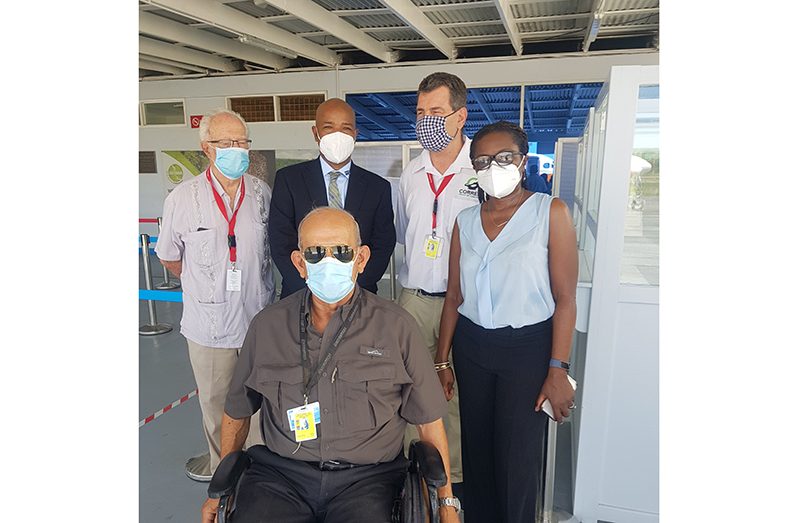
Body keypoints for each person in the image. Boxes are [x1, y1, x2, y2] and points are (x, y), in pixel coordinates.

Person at [201, 208, 459, 523]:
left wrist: (446, 503)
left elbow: (429, 423)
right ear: (299, 264)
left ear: (361, 259)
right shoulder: (266, 326)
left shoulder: (397, 327)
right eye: (314, 253)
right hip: (282, 478)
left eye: (341, 251)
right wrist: (219, 490)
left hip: (370, 481)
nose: (328, 262)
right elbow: (237, 412)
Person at [435, 121, 578, 522]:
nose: (493, 167)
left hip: (528, 350)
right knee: (478, 452)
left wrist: (558, 369)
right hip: (472, 347)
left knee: (517, 459)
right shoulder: (465, 220)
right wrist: (442, 361)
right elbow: (453, 297)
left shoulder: (550, 211)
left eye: (504, 158)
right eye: (483, 160)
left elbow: (566, 299)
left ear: (523, 160)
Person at [156, 108, 274, 481]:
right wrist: (206, 285)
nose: (237, 149)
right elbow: (170, 256)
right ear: (207, 148)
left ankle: (257, 469)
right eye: (227, 143)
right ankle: (222, 469)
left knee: (258, 400)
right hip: (209, 325)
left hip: (258, 318)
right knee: (215, 401)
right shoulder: (183, 198)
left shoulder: (261, 193)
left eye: (242, 142)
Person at [395, 72, 478, 496]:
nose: (426, 120)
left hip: (463, 303)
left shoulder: (479, 171)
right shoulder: (411, 174)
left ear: (460, 117)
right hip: (414, 298)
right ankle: (416, 473)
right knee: (411, 388)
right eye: (420, 112)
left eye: (437, 112)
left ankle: (454, 478)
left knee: (455, 393)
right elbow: (405, 231)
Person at [269, 98, 396, 298]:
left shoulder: (377, 187)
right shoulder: (289, 180)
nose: (338, 135)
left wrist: (350, 289)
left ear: (355, 134)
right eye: (329, 127)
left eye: (346, 128)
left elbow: (383, 244)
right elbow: (280, 241)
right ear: (315, 133)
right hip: (301, 295)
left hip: (359, 296)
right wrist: (312, 289)